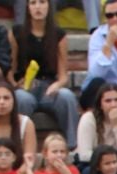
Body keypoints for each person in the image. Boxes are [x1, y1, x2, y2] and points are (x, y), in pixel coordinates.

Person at [14, 0, 81, 139]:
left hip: (49, 86)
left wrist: (57, 85)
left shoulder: (58, 35)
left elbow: (63, 76)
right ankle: (20, 145)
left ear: (49, 6)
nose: (38, 7)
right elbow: (10, 69)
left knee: (67, 96)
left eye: (42, 2)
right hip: (25, 86)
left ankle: (72, 145)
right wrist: (16, 84)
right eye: (33, 3)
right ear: (28, 7)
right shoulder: (17, 33)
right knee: (21, 99)